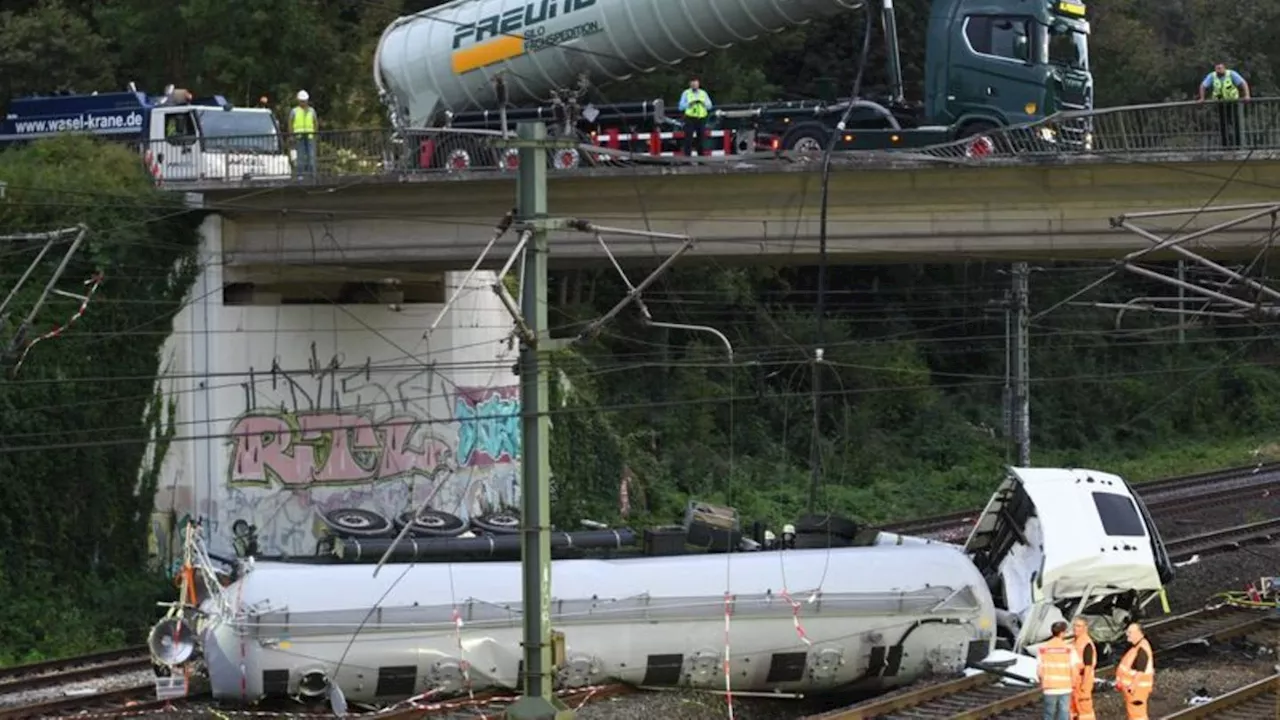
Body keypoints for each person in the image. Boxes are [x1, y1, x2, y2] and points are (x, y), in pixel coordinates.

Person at [1197, 64, 1250, 148]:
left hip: (1233, 102)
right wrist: (1202, 98)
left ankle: (1238, 145)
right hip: (1220, 103)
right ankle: (1225, 146)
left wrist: (1247, 95)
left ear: (1224, 68)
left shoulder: (1231, 74)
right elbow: (1203, 86)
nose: (1219, 70)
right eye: (1217, 68)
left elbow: (1243, 83)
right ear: (1215, 69)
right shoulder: (1212, 76)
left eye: (1220, 68)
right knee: (1223, 125)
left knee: (1236, 124)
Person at [1037, 620, 1079, 720]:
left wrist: (1042, 681)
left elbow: (1039, 670)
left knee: (1049, 714)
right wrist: (1074, 683)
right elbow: (1074, 668)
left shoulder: (1043, 648)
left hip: (1049, 687)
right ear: (1062, 633)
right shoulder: (1069, 649)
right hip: (1065, 687)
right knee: (1063, 713)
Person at [1115, 622, 1155, 720]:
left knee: (1137, 715)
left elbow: (1141, 670)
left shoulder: (1141, 649)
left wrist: (1132, 685)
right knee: (1134, 715)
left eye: (1130, 632)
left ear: (1138, 633)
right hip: (1135, 690)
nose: (1127, 634)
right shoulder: (1138, 646)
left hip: (1137, 690)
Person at [678, 78, 713, 158]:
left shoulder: (703, 93)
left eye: (696, 84)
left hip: (701, 117)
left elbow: (710, 106)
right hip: (690, 117)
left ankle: (701, 158)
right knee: (688, 138)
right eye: (693, 84)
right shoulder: (686, 93)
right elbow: (680, 107)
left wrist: (703, 103)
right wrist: (689, 104)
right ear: (690, 84)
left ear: (698, 84)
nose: (694, 85)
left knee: (701, 139)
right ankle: (687, 158)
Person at [1070, 617, 1096, 720]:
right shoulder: (1075, 642)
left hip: (1083, 680)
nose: (1075, 628)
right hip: (1075, 681)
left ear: (1085, 628)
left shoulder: (1086, 644)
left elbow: (1088, 666)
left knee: (1085, 711)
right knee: (1074, 709)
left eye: (1079, 626)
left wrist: (1084, 684)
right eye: (1075, 625)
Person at [290, 90, 319, 178]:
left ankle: (312, 175)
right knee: (300, 157)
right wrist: (291, 135)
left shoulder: (311, 111)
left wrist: (315, 133)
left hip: (310, 136)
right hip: (299, 137)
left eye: (304, 101)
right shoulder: (294, 111)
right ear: (298, 101)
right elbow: (290, 123)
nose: (303, 103)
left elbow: (315, 123)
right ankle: (300, 176)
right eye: (301, 101)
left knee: (311, 156)